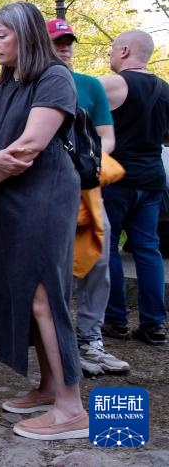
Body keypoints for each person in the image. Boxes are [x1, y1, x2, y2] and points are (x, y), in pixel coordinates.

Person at [0, 1, 86, 441]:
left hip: (44, 194)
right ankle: (48, 386)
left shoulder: (55, 78)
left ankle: (71, 409)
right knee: (21, 290)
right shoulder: (0, 85)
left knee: (43, 295)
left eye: (2, 35)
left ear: (26, 33)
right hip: (11, 193)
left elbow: (27, 149)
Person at [48, 18, 130, 375]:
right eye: (57, 42)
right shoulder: (30, 84)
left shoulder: (90, 86)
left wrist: (87, 160)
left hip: (86, 186)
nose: (65, 47)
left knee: (97, 260)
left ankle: (90, 338)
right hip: (47, 190)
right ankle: (59, 341)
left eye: (68, 42)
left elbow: (106, 136)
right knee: (55, 265)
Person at [99, 30, 169, 346]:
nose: (112, 55)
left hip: (117, 180)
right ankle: (154, 325)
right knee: (148, 249)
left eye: (114, 49)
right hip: (153, 180)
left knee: (108, 247)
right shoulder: (166, 91)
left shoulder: (113, 84)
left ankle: (115, 321)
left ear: (125, 51)